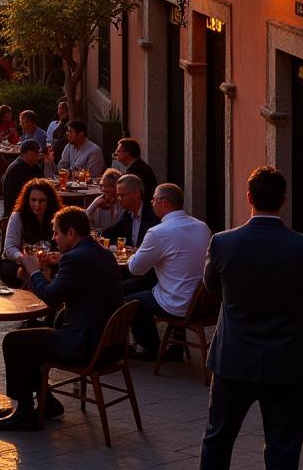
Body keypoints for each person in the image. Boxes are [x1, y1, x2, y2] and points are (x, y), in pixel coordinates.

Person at [200, 166, 303, 469]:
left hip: (234, 357)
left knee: (218, 438)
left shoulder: (223, 242)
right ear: (283, 200)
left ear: (248, 198)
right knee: (284, 446)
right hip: (287, 359)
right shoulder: (300, 246)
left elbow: (211, 286)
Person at [0, 206, 123, 431]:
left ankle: (23, 412)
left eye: (56, 233)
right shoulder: (102, 253)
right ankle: (46, 402)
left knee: (14, 341)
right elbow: (79, 284)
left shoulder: (75, 259)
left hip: (86, 345)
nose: (53, 238)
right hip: (110, 343)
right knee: (32, 332)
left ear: (71, 233)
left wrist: (34, 271)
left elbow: (51, 296)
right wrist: (59, 265)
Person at [125, 182, 211, 361]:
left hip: (176, 303)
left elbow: (136, 269)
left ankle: (153, 349)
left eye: (154, 199)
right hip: (203, 303)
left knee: (130, 301)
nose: (151, 203)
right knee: (162, 283)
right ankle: (176, 345)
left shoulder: (158, 232)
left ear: (163, 202)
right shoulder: (202, 227)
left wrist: (133, 255)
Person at [0, 179, 61, 287]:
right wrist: (26, 261)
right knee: (22, 273)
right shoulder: (18, 217)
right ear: (27, 200)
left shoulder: (58, 217)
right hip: (17, 262)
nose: (37, 205)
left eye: (42, 200)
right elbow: (9, 248)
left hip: (49, 262)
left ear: (49, 201)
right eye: (33, 200)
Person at [104, 173, 160, 248]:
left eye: (122, 195)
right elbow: (109, 233)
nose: (119, 199)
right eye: (118, 195)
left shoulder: (154, 214)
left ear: (136, 193)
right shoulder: (127, 214)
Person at [1, 141, 43, 218]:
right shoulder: (21, 169)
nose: (39, 156)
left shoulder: (23, 164)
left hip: (15, 208)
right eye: (37, 153)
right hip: (18, 211)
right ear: (30, 153)